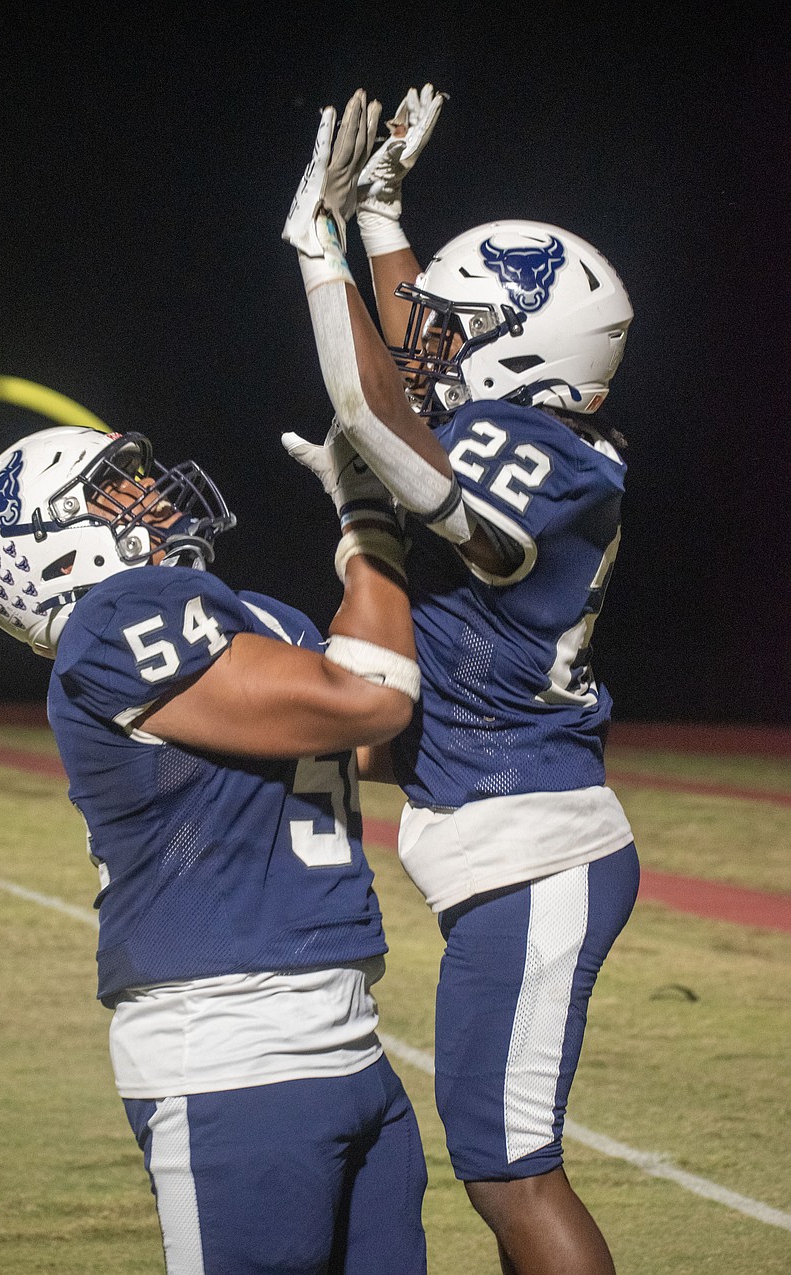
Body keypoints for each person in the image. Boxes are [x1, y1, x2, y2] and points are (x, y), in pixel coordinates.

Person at [282, 87, 641, 1275]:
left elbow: (379, 413)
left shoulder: (545, 458)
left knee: (510, 1171)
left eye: (457, 326)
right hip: (507, 835)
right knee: (497, 1162)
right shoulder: (535, 436)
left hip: (534, 847)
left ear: (524, 346)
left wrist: (321, 252)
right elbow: (416, 384)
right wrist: (384, 219)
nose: (427, 340)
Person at [0, 421, 428, 1275]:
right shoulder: (116, 619)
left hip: (348, 1036)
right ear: (52, 548)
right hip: (229, 1054)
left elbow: (374, 742)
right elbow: (370, 701)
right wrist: (367, 522)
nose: (149, 491)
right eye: (112, 487)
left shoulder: (259, 619)